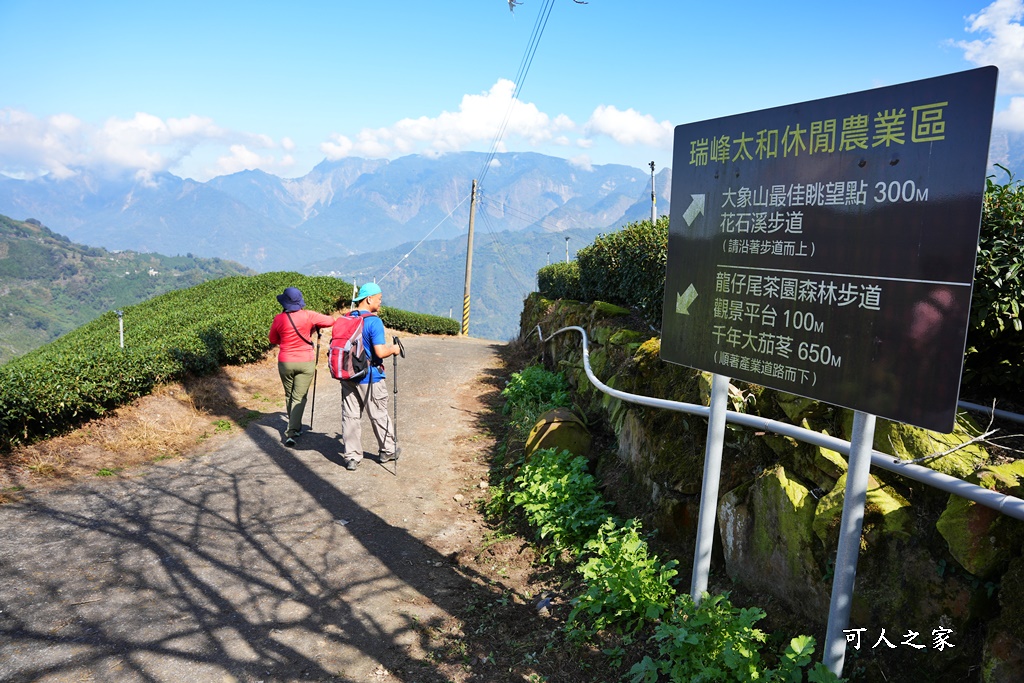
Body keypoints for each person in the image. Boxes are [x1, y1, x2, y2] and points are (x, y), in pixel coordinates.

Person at [339, 282, 402, 471]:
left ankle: (352, 457)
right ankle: (388, 450)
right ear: (369, 299)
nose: (381, 302)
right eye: (379, 299)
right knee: (378, 414)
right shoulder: (374, 321)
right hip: (370, 377)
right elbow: (380, 352)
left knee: (350, 415)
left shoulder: (345, 319)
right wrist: (394, 349)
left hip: (347, 374)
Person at [268, 287, 335, 447]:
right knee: (299, 397)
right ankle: (291, 432)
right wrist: (311, 327)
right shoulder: (309, 315)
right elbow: (331, 321)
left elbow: (273, 339)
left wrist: (286, 341)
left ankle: (295, 426)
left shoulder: (279, 319)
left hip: (285, 361)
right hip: (306, 361)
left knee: (289, 395)